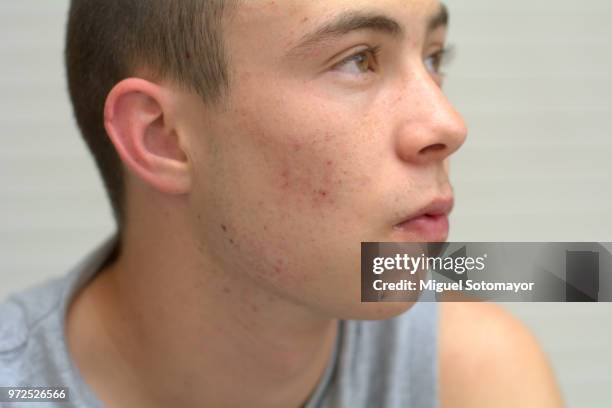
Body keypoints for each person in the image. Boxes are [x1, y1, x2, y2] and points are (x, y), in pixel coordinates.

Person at [0, 0, 563, 407]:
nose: (448, 123)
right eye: (359, 58)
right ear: (163, 137)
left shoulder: (472, 375)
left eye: (434, 56)